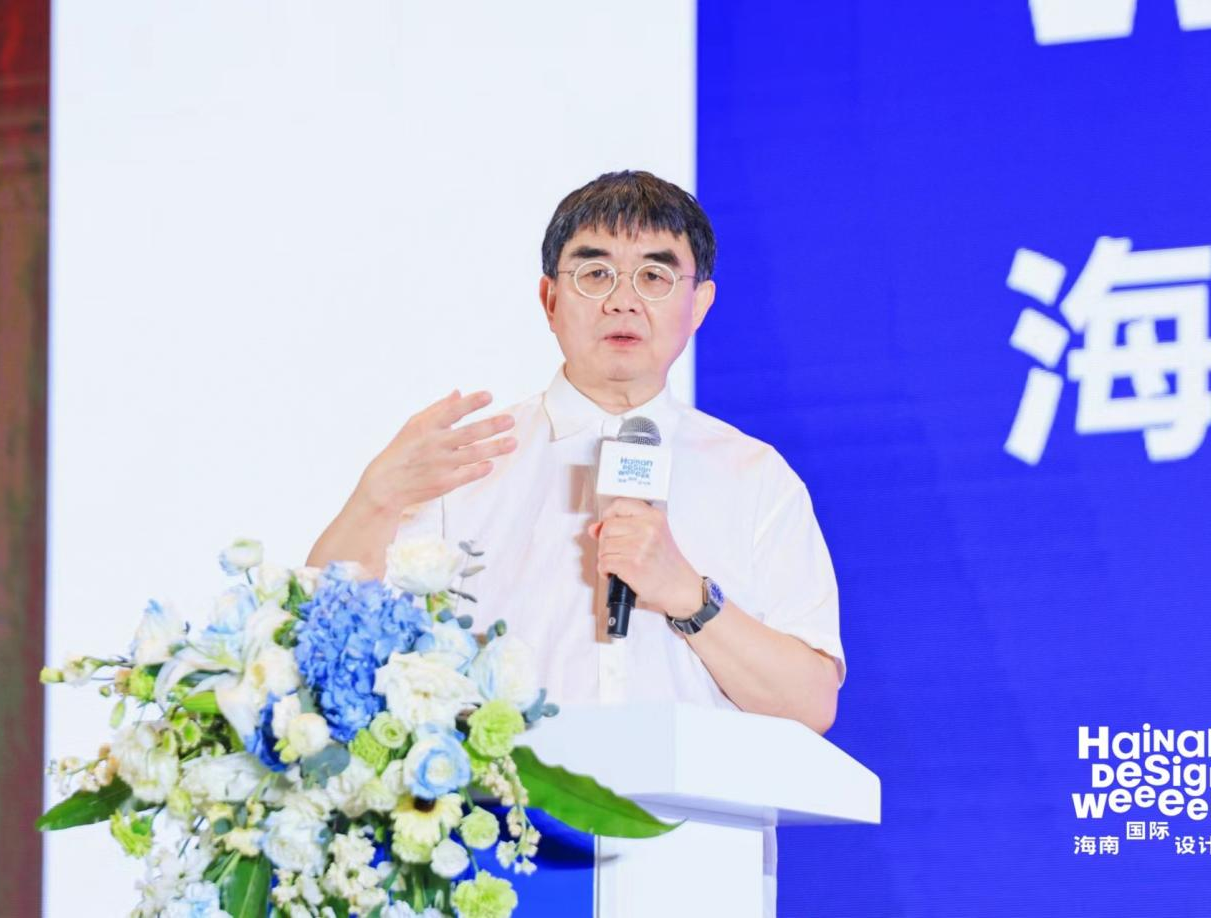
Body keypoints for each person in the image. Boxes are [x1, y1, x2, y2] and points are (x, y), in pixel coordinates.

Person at [307, 170, 843, 735]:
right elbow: (321, 639)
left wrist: (688, 595)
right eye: (595, 274)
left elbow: (810, 706)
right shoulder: (467, 464)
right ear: (550, 300)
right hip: (511, 791)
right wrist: (375, 499)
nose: (623, 302)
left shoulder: (755, 477)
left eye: (654, 276)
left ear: (699, 304)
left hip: (697, 796)